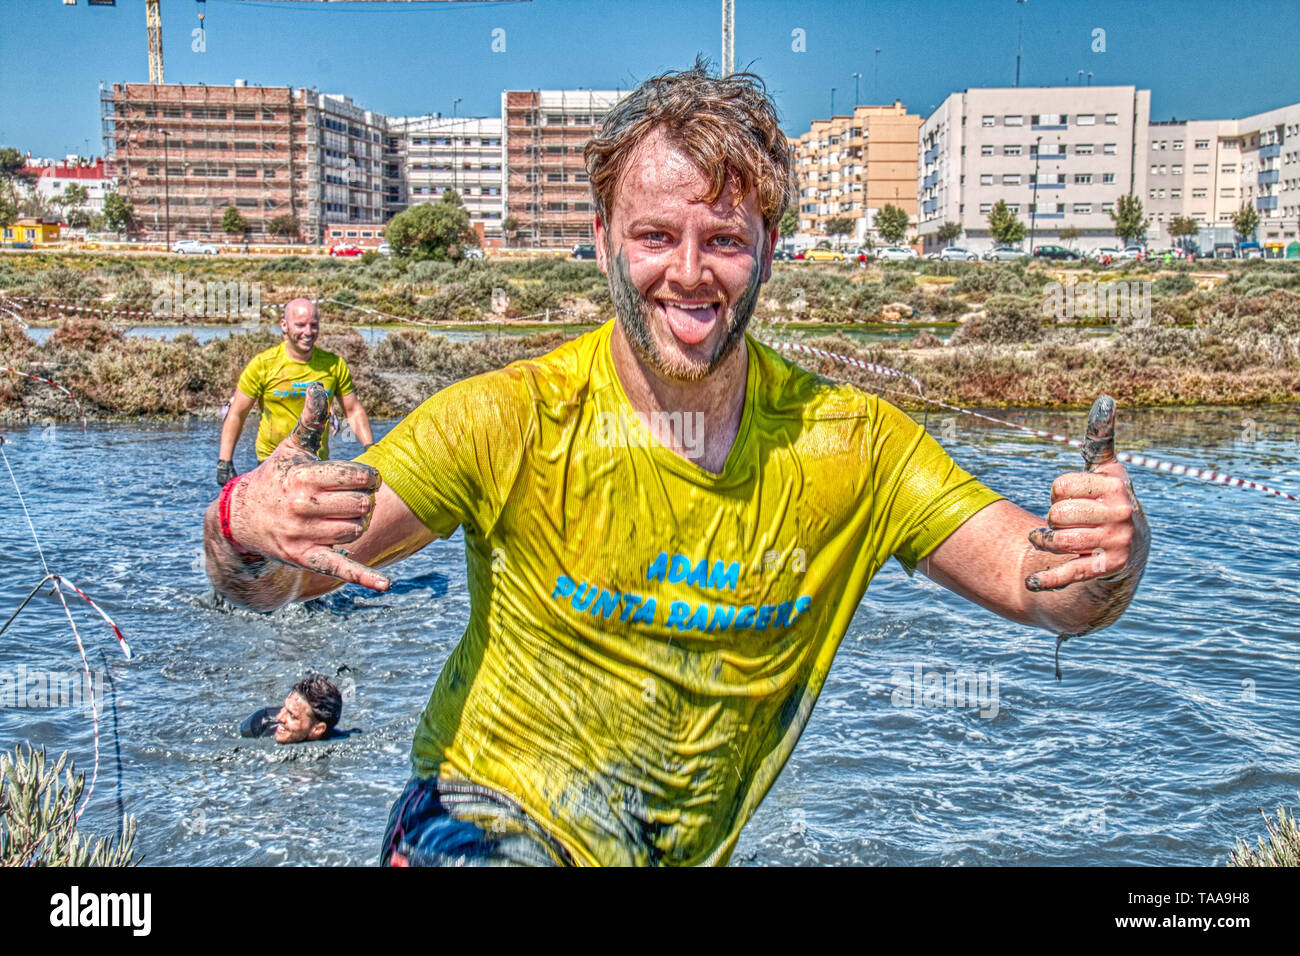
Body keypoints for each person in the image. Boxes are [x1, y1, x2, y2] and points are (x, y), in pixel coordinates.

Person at [203, 62, 1149, 867]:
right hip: (474, 820)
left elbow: (1048, 590)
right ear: (607, 240)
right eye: (656, 236)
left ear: (769, 253)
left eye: (725, 241)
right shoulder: (510, 420)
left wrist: (1111, 552)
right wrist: (246, 522)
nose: (689, 273)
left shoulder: (853, 447)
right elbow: (272, 584)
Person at [216, 298, 374, 486]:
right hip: (272, 463)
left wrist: (371, 450)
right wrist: (225, 462)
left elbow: (353, 410)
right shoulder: (263, 364)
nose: (308, 332)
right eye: (300, 325)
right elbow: (237, 413)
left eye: (313, 325)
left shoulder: (333, 365)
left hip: (316, 463)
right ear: (284, 325)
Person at [240, 673, 343, 744]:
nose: (279, 717)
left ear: (318, 729)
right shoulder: (258, 724)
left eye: (292, 716)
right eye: (284, 708)